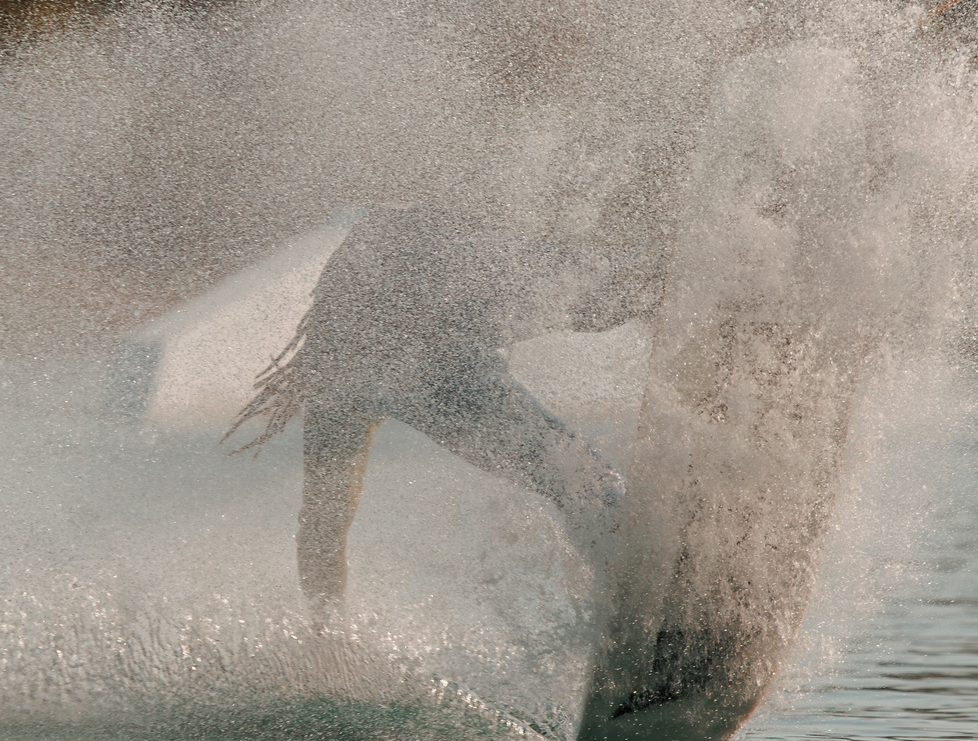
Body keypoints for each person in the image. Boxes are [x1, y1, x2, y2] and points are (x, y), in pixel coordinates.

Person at [226, 204, 660, 612]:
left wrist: (327, 628)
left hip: (437, 304)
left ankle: (643, 573)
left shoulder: (339, 361)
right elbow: (323, 522)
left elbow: (322, 524)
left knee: (583, 480)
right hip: (442, 345)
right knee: (586, 482)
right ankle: (650, 580)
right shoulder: (351, 363)